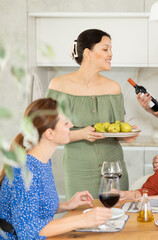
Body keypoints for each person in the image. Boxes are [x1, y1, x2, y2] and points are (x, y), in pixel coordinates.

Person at [0, 98, 112, 239]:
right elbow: (28, 233)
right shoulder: (24, 172)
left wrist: (66, 205)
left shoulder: (42, 162)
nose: (71, 125)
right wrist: (83, 220)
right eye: (66, 123)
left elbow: (33, 208)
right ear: (50, 133)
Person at [46, 29, 137, 199]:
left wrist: (125, 135)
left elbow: (115, 131)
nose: (111, 54)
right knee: (80, 216)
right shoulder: (58, 86)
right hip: (78, 168)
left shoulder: (114, 87)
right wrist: (81, 134)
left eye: (110, 49)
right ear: (87, 53)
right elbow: (49, 133)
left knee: (116, 216)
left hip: (113, 167)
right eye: (105, 49)